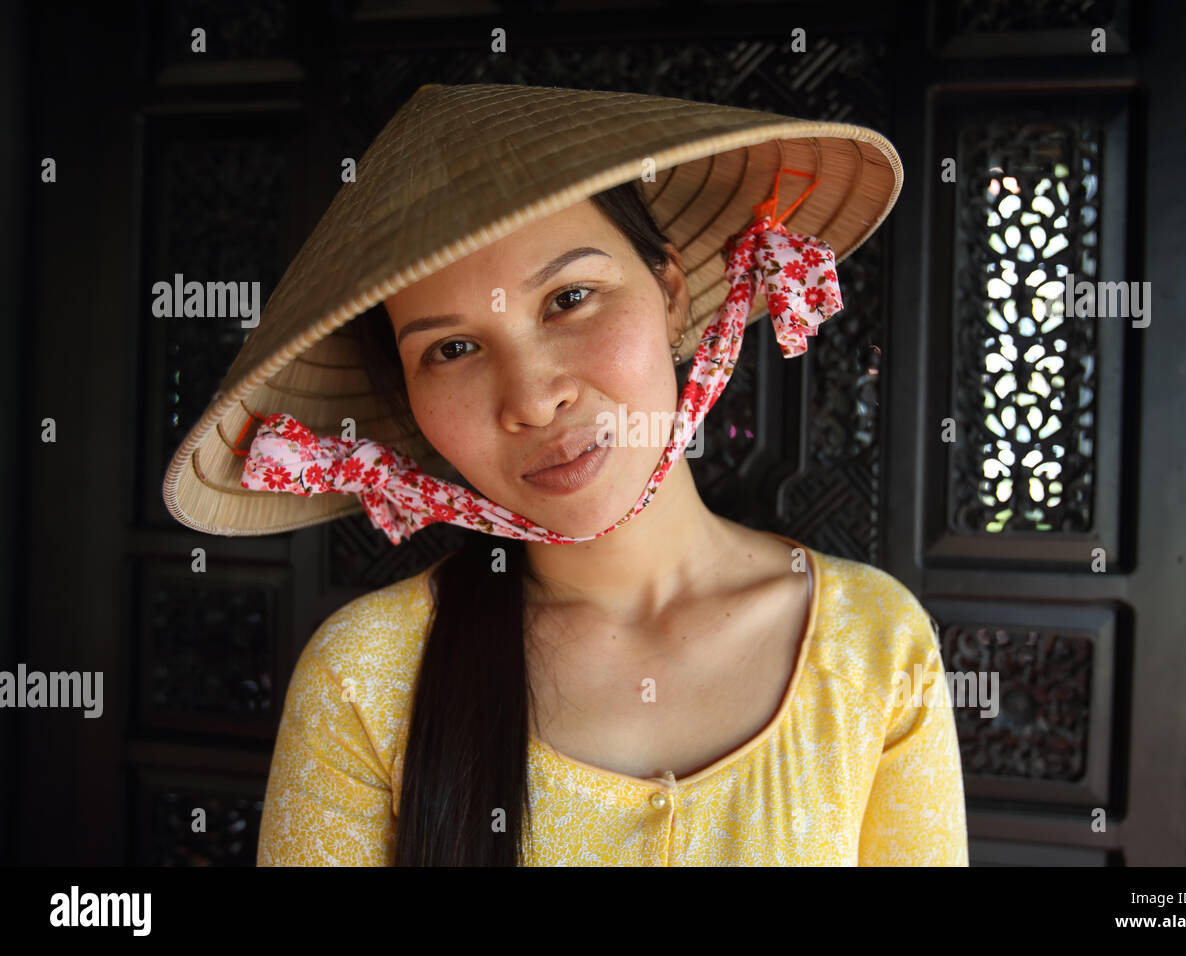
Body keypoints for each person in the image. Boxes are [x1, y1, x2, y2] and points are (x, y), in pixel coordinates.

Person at [162, 82, 969, 866]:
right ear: (411, 399)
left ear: (671, 294)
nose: (535, 399)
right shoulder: (362, 678)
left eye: (570, 297)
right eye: (452, 349)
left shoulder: (875, 644)